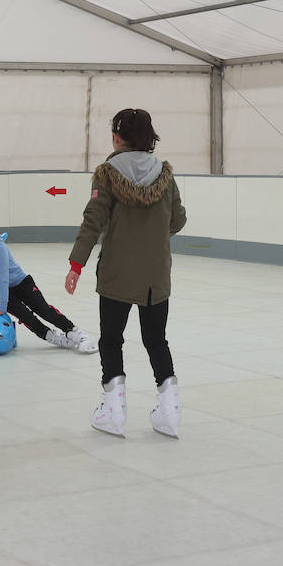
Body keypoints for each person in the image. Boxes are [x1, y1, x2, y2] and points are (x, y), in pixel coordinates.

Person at [67, 108, 187, 439]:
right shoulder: (165, 174)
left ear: (118, 137)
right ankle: (170, 412)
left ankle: (114, 411)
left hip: (117, 274)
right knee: (156, 339)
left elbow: (93, 221)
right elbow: (177, 220)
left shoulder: (106, 174)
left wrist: (76, 264)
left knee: (111, 339)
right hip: (155, 276)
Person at [0, 217, 96, 353]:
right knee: (26, 317)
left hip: (21, 283)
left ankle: (76, 333)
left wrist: (2, 307)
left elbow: (3, 277)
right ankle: (54, 337)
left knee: (43, 310)